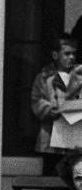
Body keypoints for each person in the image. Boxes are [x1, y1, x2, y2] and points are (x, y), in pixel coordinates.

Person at [31, 35, 82, 174]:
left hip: (75, 135)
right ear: (55, 55)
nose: (71, 57)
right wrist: (49, 109)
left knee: (74, 175)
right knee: (51, 174)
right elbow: (36, 100)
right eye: (67, 53)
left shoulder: (79, 75)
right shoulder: (45, 77)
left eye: (74, 54)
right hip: (51, 135)